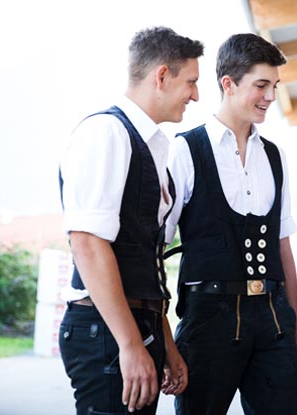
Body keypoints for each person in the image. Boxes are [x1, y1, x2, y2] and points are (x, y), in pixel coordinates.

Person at [58, 26, 204, 414]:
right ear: (162, 76)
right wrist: (129, 344)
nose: (195, 95)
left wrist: (164, 342)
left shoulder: (153, 146)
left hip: (138, 325)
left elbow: (143, 263)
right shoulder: (105, 131)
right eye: (191, 82)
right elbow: (88, 243)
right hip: (106, 331)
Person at [164, 32, 297, 415]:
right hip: (208, 316)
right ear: (228, 84)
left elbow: (283, 250)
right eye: (261, 85)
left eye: (275, 86)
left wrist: (295, 340)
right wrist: (162, 339)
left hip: (274, 318)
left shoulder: (275, 156)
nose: (271, 96)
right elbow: (154, 247)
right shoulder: (185, 150)